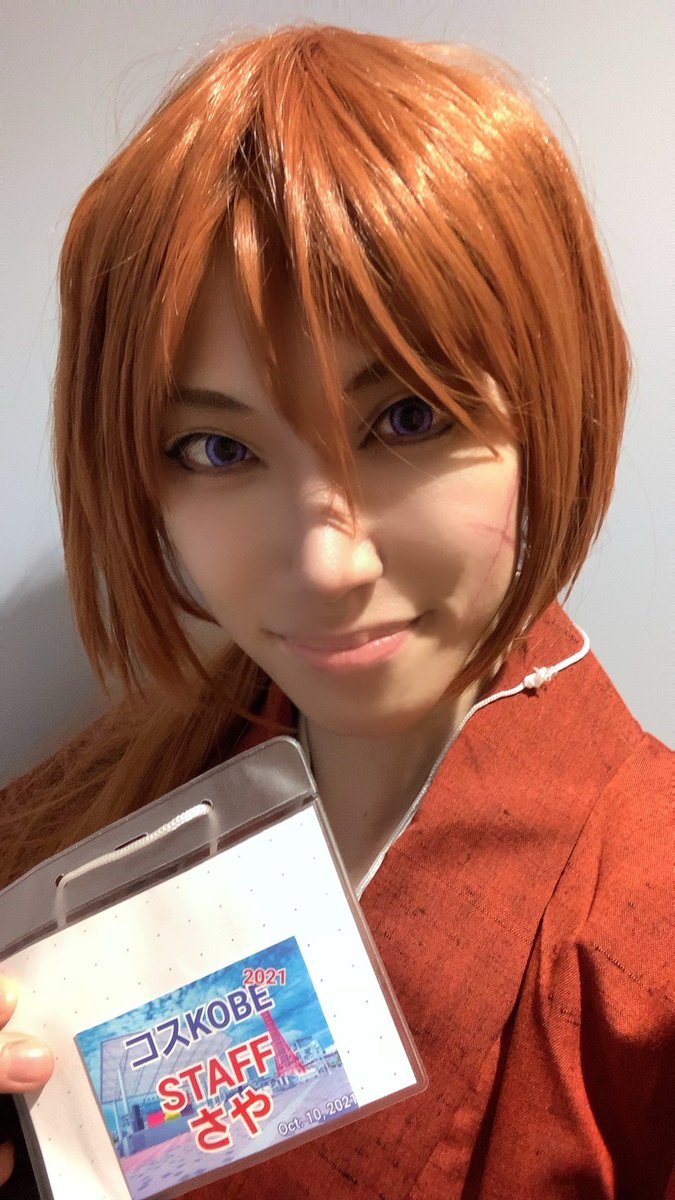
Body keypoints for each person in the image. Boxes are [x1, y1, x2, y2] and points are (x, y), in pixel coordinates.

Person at [0, 22, 672, 1199]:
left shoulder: (642, 942)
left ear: (548, 408)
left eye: (408, 419)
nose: (325, 564)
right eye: (217, 449)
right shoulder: (103, 805)